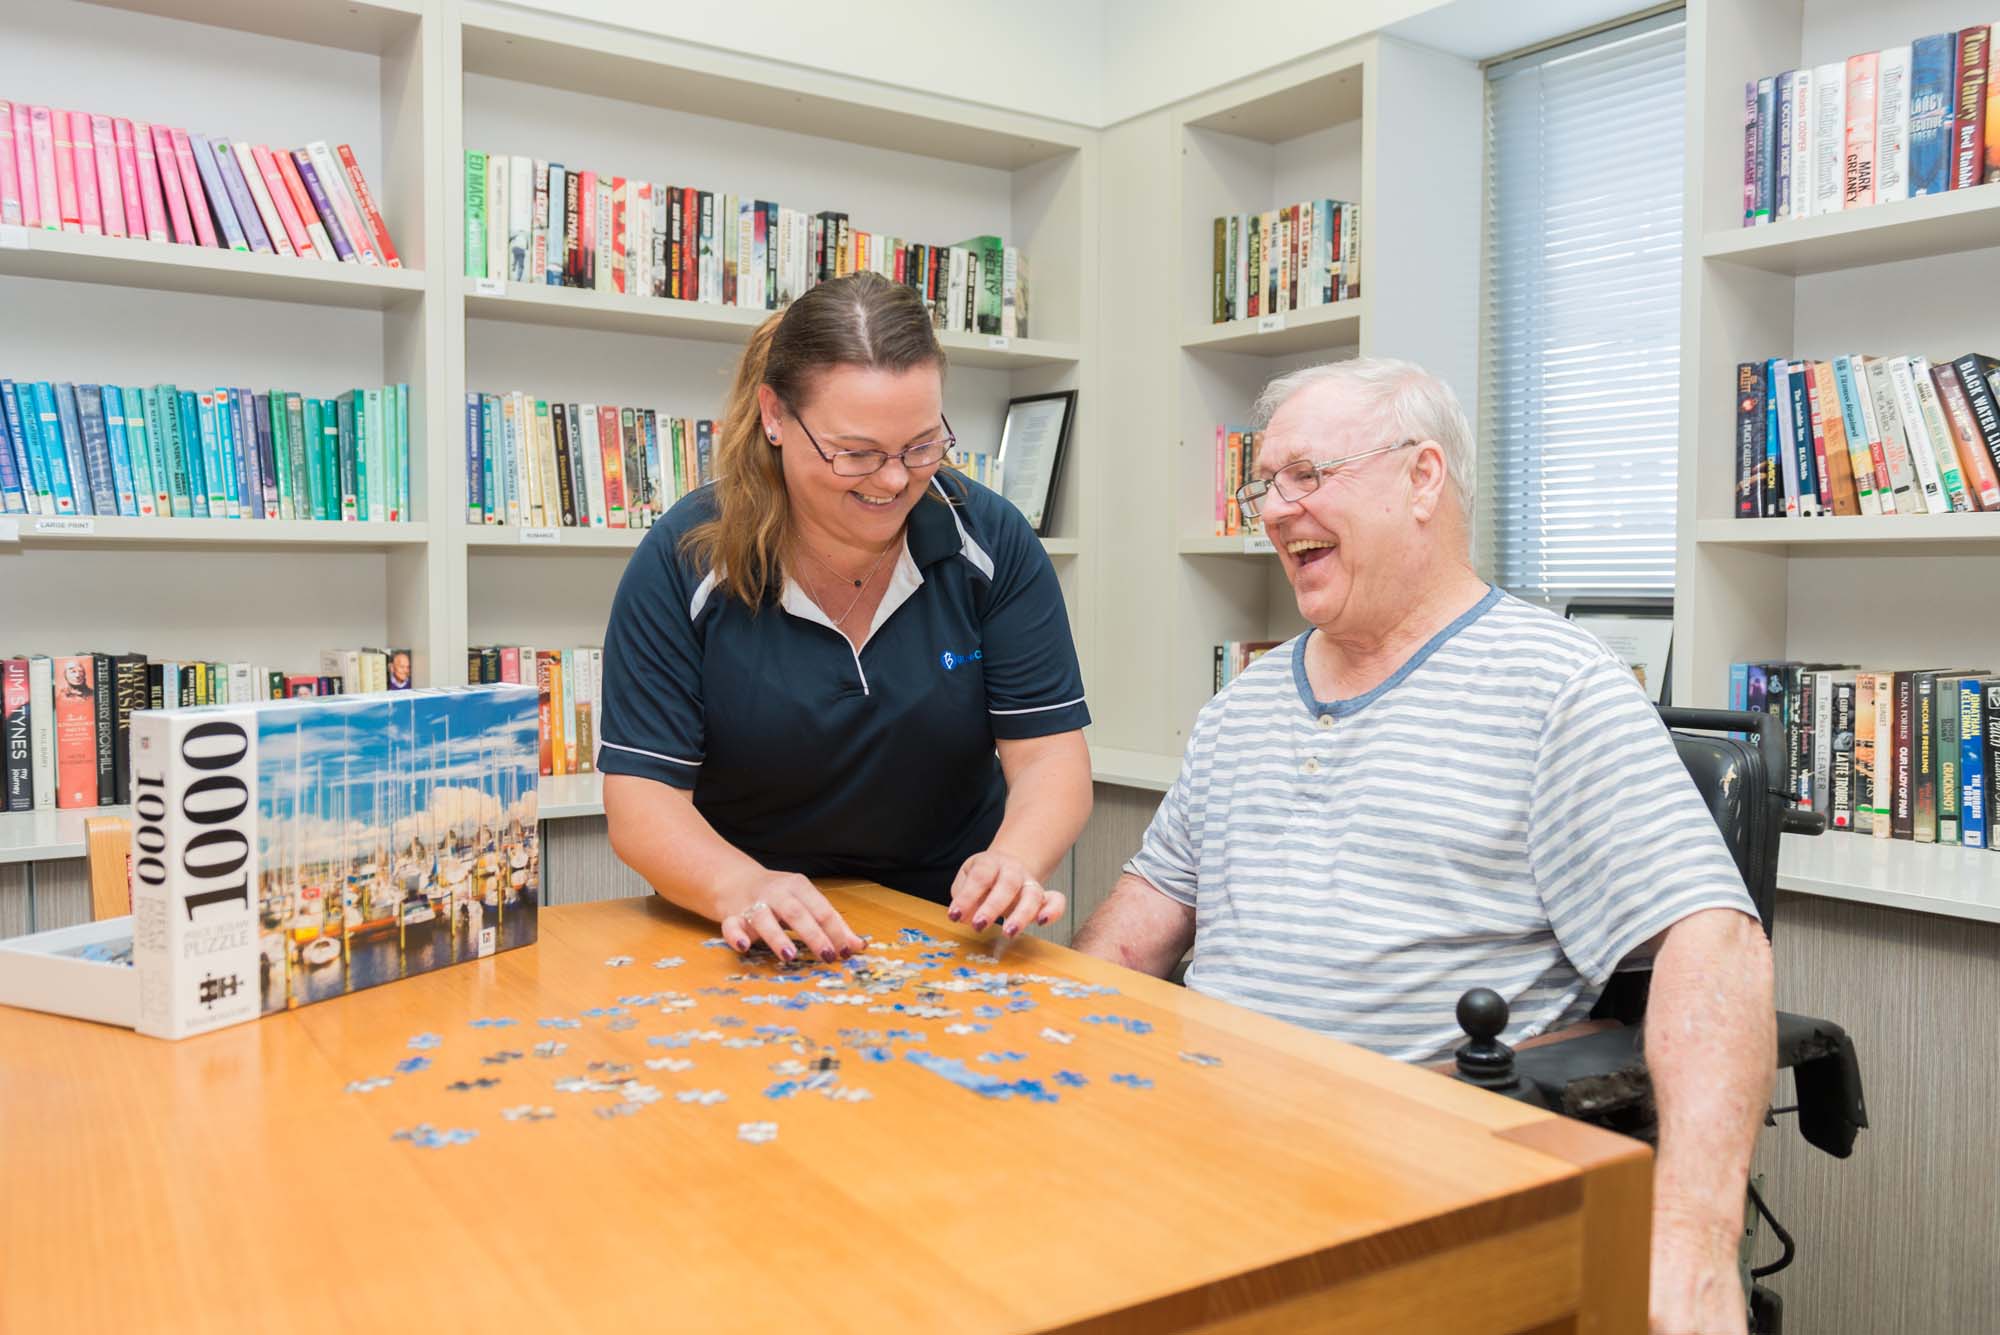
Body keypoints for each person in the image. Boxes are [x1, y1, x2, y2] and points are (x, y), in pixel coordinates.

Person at [1072, 358, 1774, 1335]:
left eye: (1306, 475)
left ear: (1421, 478)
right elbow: (1128, 938)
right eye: (1263, 483)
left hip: (1418, 1188)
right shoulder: (1242, 706)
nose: (1275, 511)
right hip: (1207, 1160)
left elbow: (1715, 947)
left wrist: (1689, 1248)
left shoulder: (1554, 687)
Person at [599, 273, 1092, 964]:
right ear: (774, 416)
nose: (893, 479)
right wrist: (741, 884)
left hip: (949, 929)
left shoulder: (991, 541)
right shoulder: (684, 557)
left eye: (923, 445)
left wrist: (1013, 858)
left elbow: (1049, 758)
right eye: (855, 452)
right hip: (744, 927)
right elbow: (641, 801)